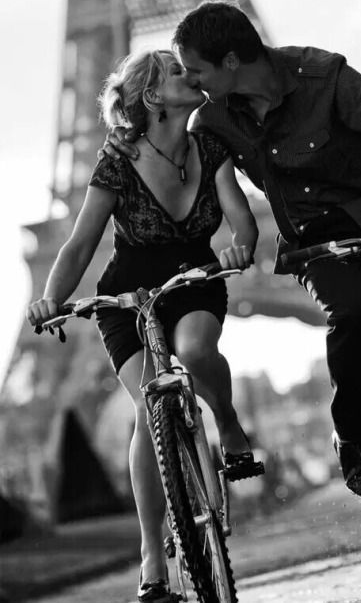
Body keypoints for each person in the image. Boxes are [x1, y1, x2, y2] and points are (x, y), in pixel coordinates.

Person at [102, 1, 361, 506]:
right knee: (356, 310)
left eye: (195, 69)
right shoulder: (211, 121)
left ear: (232, 62)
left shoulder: (322, 74)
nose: (192, 81)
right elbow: (178, 164)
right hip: (315, 238)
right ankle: (354, 436)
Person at [27, 48, 259, 603]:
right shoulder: (117, 157)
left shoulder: (212, 144)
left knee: (196, 350)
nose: (192, 76)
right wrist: (49, 299)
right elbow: (82, 241)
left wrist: (241, 247)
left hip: (194, 278)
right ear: (152, 96)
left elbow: (240, 215)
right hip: (128, 292)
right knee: (145, 406)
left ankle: (226, 423)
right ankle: (152, 559)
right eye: (179, 72)